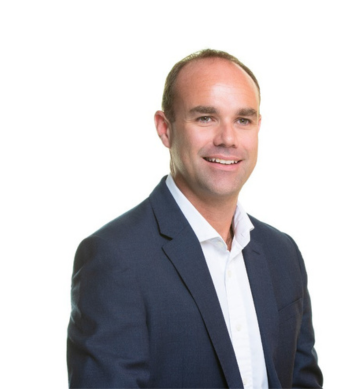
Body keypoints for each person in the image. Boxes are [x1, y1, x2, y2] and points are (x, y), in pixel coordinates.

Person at [67, 49, 323, 389]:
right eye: (206, 118)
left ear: (258, 127)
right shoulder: (115, 258)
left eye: (243, 120)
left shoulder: (282, 252)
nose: (227, 139)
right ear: (165, 129)